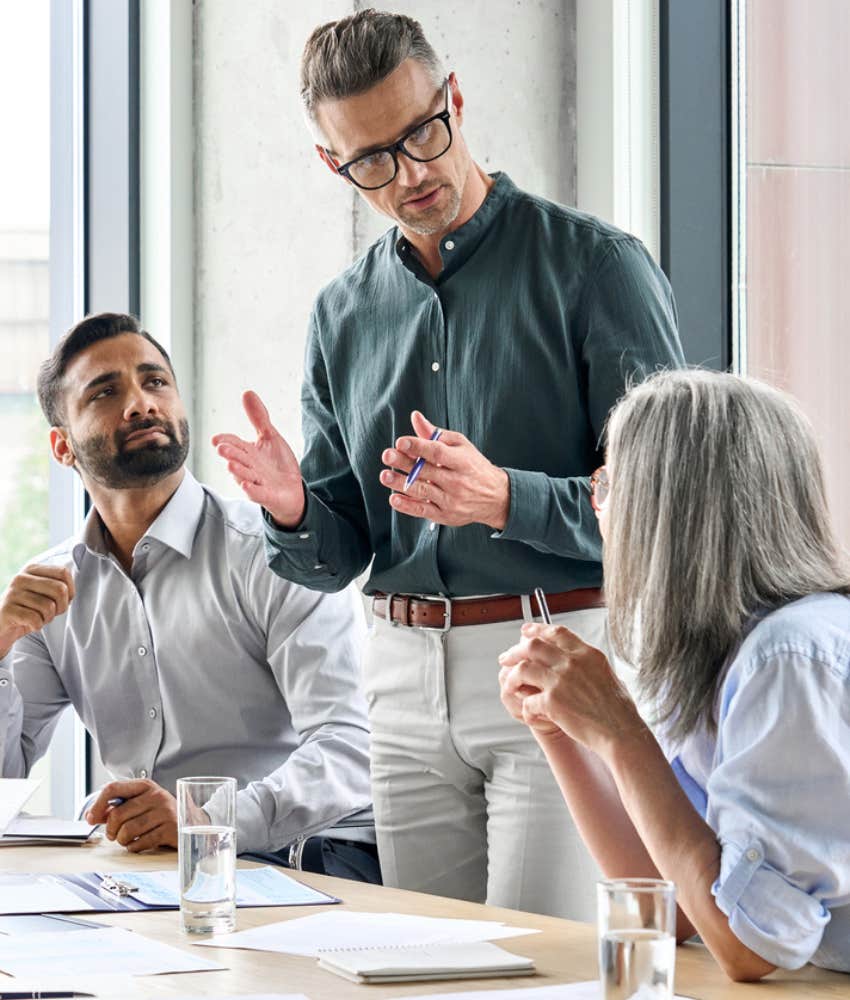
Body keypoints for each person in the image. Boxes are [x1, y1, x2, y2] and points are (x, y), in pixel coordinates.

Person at [213, 9, 684, 918]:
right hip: (395, 677)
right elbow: (339, 548)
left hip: (559, 655)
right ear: (334, 167)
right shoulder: (340, 314)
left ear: (455, 98)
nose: (413, 172)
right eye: (374, 160)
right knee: (425, 962)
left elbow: (670, 512)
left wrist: (506, 498)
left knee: (534, 965)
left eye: (424, 133)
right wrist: (289, 511)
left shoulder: (597, 268)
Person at [0, 313, 379, 882]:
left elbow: (351, 747)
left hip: (303, 860)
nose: (140, 404)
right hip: (149, 876)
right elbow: (7, 778)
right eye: (105, 392)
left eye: (155, 383)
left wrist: (204, 820)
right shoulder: (51, 589)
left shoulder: (271, 553)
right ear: (62, 447)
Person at [499, 369, 850, 977]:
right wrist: (557, 727)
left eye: (608, 482)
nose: (597, 503)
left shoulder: (791, 657)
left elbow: (753, 948)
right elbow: (672, 905)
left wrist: (620, 730)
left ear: (668, 511)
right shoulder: (709, 654)